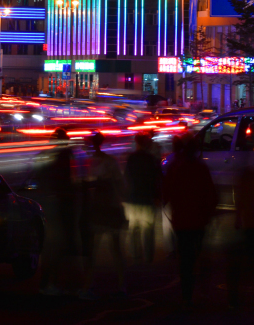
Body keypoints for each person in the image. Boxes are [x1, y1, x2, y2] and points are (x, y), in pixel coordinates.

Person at [162, 132, 218, 310]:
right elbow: (211, 195)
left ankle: (187, 296)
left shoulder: (176, 167)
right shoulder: (201, 168)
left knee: (185, 260)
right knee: (198, 256)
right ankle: (202, 292)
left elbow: (166, 191)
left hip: (181, 221)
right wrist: (209, 214)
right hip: (199, 220)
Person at [79, 131, 127, 299]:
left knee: (92, 250)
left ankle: (87, 286)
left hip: (97, 209)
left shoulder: (88, 164)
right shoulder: (110, 161)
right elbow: (120, 185)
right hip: (112, 207)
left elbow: (84, 185)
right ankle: (122, 285)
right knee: (116, 249)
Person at [37, 128, 79, 296]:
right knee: (58, 246)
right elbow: (69, 181)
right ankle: (52, 284)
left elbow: (37, 178)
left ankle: (47, 282)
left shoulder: (44, 155)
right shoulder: (64, 157)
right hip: (60, 204)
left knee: (50, 246)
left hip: (48, 203)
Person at [228, 154, 254, 307]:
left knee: (241, 258)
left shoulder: (243, 179)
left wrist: (238, 218)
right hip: (252, 221)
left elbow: (241, 199)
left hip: (246, 222)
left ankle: (237, 296)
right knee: (253, 256)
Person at [124, 132, 163, 263]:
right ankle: (148, 258)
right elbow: (156, 179)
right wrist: (157, 196)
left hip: (133, 199)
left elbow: (126, 179)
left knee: (133, 229)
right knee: (148, 231)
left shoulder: (131, 159)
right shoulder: (151, 159)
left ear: (136, 143)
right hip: (147, 199)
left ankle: (135, 255)